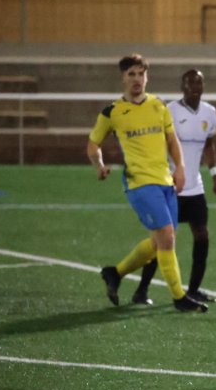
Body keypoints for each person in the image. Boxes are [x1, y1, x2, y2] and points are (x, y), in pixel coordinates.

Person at [87, 54, 207, 313]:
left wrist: (181, 169)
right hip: (139, 182)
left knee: (160, 242)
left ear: (146, 77)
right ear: (123, 78)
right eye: (131, 74)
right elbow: (93, 144)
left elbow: (172, 140)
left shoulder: (158, 106)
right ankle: (179, 297)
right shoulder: (112, 112)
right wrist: (99, 165)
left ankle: (115, 273)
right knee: (166, 237)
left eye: (141, 74)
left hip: (165, 180)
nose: (137, 79)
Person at [132, 69, 216, 305]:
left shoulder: (210, 113)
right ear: (182, 87)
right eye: (191, 83)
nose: (196, 87)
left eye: (199, 83)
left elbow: (209, 144)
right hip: (171, 186)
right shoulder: (169, 111)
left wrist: (214, 175)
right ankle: (141, 290)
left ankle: (193, 289)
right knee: (164, 239)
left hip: (196, 188)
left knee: (202, 236)